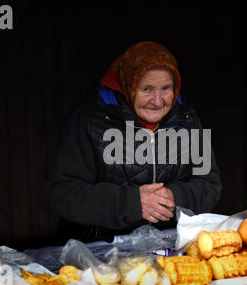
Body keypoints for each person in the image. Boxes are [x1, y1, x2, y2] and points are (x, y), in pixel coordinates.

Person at [49, 41, 221, 243]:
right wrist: (131, 202)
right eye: (147, 89)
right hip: (102, 249)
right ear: (128, 85)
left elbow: (210, 184)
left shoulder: (187, 120)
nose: (158, 101)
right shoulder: (90, 120)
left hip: (171, 245)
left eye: (166, 88)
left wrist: (176, 197)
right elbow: (64, 193)